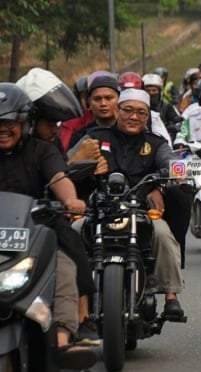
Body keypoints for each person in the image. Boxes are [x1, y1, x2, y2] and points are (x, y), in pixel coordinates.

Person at [0, 82, 97, 368]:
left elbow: (59, 178)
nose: (3, 128)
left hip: (39, 230)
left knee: (65, 267)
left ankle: (65, 335)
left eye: (9, 122)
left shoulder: (42, 150)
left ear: (24, 122)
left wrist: (70, 200)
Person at [68, 88, 186, 319]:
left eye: (141, 113)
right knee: (73, 231)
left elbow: (171, 162)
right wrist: (82, 162)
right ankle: (71, 293)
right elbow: (68, 162)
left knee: (162, 233)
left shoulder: (156, 143)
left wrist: (176, 176)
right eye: (128, 110)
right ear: (117, 111)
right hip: (98, 210)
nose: (134, 117)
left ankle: (171, 296)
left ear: (147, 117)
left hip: (139, 211)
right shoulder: (95, 136)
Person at [143, 72, 182, 142]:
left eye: (154, 90)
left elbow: (180, 123)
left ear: (160, 91)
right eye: (148, 91)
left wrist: (172, 127)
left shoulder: (167, 107)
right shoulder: (140, 108)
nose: (151, 93)